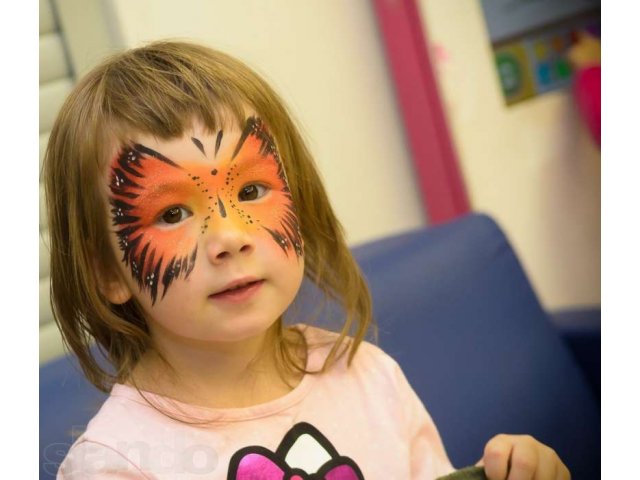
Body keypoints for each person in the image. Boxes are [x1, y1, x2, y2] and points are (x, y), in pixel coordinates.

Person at [44, 41, 570, 479]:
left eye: (251, 189)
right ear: (107, 273)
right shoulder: (115, 465)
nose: (229, 236)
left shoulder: (366, 375)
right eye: (174, 211)